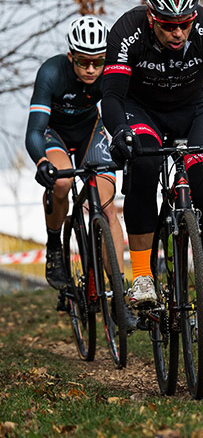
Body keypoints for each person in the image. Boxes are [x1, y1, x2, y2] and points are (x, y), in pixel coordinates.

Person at [101, 0, 203, 348]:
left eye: (184, 24)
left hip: (191, 112)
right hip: (143, 112)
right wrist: (120, 132)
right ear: (151, 17)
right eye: (168, 24)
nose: (178, 32)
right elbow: (112, 95)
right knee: (145, 162)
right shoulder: (128, 29)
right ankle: (142, 275)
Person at [25, 16, 131, 324]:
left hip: (89, 131)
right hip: (53, 133)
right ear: (71, 56)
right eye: (84, 61)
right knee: (60, 184)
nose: (91, 70)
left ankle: (119, 296)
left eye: (98, 62)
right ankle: (54, 243)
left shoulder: (107, 74)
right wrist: (41, 162)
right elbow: (35, 129)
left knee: (107, 206)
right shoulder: (51, 72)